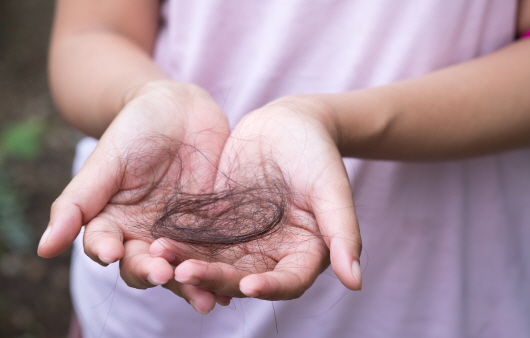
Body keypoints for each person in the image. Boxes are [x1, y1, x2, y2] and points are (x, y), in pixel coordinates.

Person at [38, 0, 530, 337]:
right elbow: (93, 33)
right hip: (148, 315)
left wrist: (333, 120)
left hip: (439, 296)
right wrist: (144, 97)